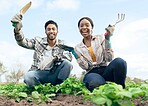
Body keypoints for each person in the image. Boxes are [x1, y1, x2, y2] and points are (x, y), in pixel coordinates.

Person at [58, 17, 127, 91]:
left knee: (120, 62)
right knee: (95, 83)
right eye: (81, 26)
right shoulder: (78, 48)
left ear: (92, 27)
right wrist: (74, 53)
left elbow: (109, 58)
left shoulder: (100, 38)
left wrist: (108, 39)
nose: (84, 27)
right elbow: (85, 67)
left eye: (87, 25)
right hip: (92, 73)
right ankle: (106, 87)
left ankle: (120, 89)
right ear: (79, 29)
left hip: (105, 70)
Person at [11, 13, 73, 88]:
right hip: (39, 73)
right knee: (28, 76)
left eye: (53, 29)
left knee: (68, 64)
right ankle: (40, 90)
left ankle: (58, 88)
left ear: (57, 31)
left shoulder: (62, 44)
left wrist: (55, 58)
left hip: (54, 74)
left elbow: (68, 58)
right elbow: (23, 42)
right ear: (45, 31)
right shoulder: (38, 41)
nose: (51, 31)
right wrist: (18, 30)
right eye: (49, 29)